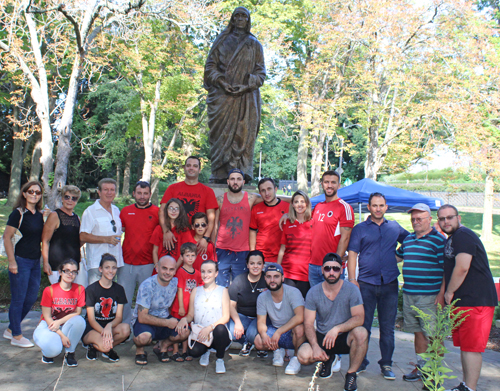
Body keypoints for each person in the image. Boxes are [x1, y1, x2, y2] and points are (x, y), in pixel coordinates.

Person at [347, 192, 409, 378]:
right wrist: (352, 280)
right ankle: (361, 361)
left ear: (386, 207)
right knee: (363, 325)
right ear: (369, 207)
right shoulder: (360, 229)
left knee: (387, 327)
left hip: (389, 284)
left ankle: (387, 364)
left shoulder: (395, 227)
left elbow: (411, 241)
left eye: (381, 205)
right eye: (374, 205)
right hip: (365, 283)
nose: (378, 208)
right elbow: (352, 255)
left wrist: (396, 257)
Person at [437, 205, 498, 391]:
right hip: (464, 301)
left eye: (450, 217)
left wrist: (449, 292)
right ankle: (465, 385)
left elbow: (462, 266)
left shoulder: (464, 235)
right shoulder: (453, 238)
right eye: (442, 219)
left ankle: (470, 388)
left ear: (459, 217)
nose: (446, 221)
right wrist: (445, 294)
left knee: (472, 348)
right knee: (466, 346)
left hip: (476, 301)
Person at [204, 7, 266, 184]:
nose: (240, 19)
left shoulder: (254, 44)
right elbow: (210, 68)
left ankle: (240, 172)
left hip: (246, 98)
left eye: (243, 16)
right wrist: (223, 83)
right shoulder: (221, 42)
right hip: (222, 97)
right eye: (236, 16)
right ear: (232, 19)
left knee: (244, 133)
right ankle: (220, 171)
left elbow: (261, 73)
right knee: (220, 135)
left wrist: (246, 85)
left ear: (248, 20)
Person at [297, 253, 368, 391]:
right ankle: (327, 358)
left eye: (335, 269)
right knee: (303, 357)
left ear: (341, 270)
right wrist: (315, 346)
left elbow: (360, 318)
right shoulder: (313, 292)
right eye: (328, 268)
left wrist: (338, 329)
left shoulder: (351, 290)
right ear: (322, 270)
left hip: (344, 337)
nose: (331, 272)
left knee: (361, 333)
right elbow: (308, 323)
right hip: (323, 336)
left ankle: (351, 374)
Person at [396, 203, 446, 383]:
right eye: (413, 219)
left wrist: (441, 295)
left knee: (433, 335)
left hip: (430, 296)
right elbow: (397, 256)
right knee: (417, 333)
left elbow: (446, 269)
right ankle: (422, 369)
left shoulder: (439, 240)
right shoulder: (408, 239)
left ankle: (435, 374)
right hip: (409, 294)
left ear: (429, 220)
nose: (416, 222)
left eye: (419, 219)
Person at [3, 181, 44, 348]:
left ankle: (11, 329)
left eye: (38, 192)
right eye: (31, 191)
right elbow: (7, 237)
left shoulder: (39, 214)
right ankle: (17, 335)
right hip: (20, 260)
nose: (34, 194)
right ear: (24, 193)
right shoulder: (18, 214)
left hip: (35, 261)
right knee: (19, 299)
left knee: (32, 297)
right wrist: (12, 261)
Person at [176, 260, 232, 374]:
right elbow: (191, 315)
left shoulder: (223, 291)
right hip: (201, 332)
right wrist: (184, 319)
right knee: (194, 352)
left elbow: (226, 316)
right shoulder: (196, 291)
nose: (206, 275)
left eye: (210, 271)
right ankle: (205, 350)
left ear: (216, 273)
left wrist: (210, 328)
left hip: (217, 332)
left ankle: (220, 359)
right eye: (203, 271)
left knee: (220, 329)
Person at [132, 256, 189, 365]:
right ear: (157, 268)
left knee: (185, 331)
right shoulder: (147, 286)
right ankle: (139, 351)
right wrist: (167, 322)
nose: (168, 272)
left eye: (171, 269)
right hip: (146, 320)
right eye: (164, 268)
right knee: (143, 338)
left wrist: (183, 319)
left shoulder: (175, 283)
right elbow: (142, 317)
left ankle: (163, 346)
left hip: (164, 317)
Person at [213, 168, 264, 287]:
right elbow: (214, 225)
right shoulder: (220, 199)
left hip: (243, 251)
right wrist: (212, 246)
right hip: (222, 249)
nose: (235, 182)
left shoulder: (251, 198)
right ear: (228, 181)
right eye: (232, 179)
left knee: (240, 287)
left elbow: (272, 199)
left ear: (243, 182)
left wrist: (295, 201)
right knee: (220, 286)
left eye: (238, 179)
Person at [118, 181, 159, 324]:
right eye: (139, 193)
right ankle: (124, 329)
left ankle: (143, 329)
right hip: (126, 262)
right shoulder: (124, 211)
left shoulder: (157, 212)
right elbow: (117, 232)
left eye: (145, 193)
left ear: (150, 194)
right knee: (125, 299)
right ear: (134, 193)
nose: (142, 196)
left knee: (146, 300)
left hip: (148, 264)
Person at [254, 263, 305, 376]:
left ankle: (296, 358)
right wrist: (263, 335)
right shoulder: (262, 297)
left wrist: (279, 331)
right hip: (276, 330)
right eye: (269, 277)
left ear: (282, 278)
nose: (272, 280)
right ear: (265, 278)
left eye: (276, 276)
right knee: (258, 341)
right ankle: (278, 349)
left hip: (292, 332)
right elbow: (261, 321)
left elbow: (300, 316)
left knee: (300, 329)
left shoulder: (293, 292)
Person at [159, 157, 218, 254]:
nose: (191, 168)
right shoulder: (172, 188)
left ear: (199, 170)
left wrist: (205, 238)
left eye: (195, 166)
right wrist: (166, 231)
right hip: (174, 238)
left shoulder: (208, 191)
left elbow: (211, 218)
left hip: (197, 240)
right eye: (188, 165)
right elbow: (162, 211)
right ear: (184, 168)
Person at [33, 259, 86, 366]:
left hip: (63, 324)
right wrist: (62, 335)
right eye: (67, 271)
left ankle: (69, 353)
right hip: (48, 325)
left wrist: (60, 322)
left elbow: (77, 312)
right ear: (60, 272)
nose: (70, 274)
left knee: (80, 321)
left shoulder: (80, 289)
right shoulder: (50, 290)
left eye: (74, 271)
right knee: (54, 350)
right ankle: (47, 353)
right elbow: (47, 317)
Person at [309, 171, 354, 286]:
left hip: (331, 267)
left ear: (339, 185)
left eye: (333, 182)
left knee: (334, 303)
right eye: (326, 182)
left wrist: (335, 263)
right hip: (313, 266)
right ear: (321, 184)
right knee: (316, 302)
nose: (329, 185)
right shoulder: (318, 206)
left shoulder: (344, 207)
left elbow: (345, 238)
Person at [83, 254, 130, 362]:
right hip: (93, 328)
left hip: (109, 327)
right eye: (107, 267)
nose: (111, 271)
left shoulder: (119, 289)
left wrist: (109, 326)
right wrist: (104, 332)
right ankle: (98, 346)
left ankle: (99, 347)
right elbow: (91, 319)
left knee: (126, 329)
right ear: (100, 269)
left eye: (114, 268)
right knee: (106, 346)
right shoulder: (91, 290)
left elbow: (119, 317)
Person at [80, 178, 123, 285]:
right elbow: (83, 236)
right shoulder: (90, 211)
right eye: (106, 190)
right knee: (96, 299)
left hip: (114, 264)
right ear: (99, 192)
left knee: (109, 299)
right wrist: (106, 239)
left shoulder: (116, 210)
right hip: (97, 264)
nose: (109, 193)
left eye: (112, 190)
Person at [228, 250, 268, 357]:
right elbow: (231, 305)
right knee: (231, 331)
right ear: (247, 265)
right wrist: (237, 322)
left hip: (260, 318)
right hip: (242, 316)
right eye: (252, 263)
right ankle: (249, 342)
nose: (255, 266)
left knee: (252, 333)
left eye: (259, 263)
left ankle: (252, 340)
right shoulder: (239, 280)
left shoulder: (267, 280)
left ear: (263, 265)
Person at [42, 185, 82, 285]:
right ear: (62, 198)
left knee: (72, 297)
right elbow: (45, 240)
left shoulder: (77, 218)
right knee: (58, 297)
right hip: (57, 264)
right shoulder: (55, 215)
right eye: (67, 197)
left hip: (74, 265)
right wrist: (46, 263)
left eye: (74, 198)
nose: (70, 200)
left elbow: (77, 242)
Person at [169, 243, 203, 362]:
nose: (190, 258)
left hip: (191, 308)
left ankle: (185, 350)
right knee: (177, 328)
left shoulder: (198, 273)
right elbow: (179, 290)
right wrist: (181, 307)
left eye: (192, 255)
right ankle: (175, 351)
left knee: (187, 329)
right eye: (187, 255)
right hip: (180, 307)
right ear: (182, 257)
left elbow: (200, 290)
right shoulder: (180, 272)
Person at [277, 190, 313, 298]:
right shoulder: (287, 223)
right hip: (288, 272)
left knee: (303, 307)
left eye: (302, 201)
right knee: (288, 307)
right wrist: (278, 270)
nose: (299, 204)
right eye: (296, 202)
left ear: (307, 203)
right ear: (292, 204)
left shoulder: (313, 222)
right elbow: (282, 250)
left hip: (306, 274)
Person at [249, 178, 289, 263]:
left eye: (269, 189)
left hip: (282, 256)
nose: (267, 193)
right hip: (262, 256)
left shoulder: (288, 207)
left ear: (275, 189)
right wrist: (252, 254)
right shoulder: (256, 209)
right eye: (263, 191)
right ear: (260, 193)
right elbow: (252, 232)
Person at [150, 198, 195, 269]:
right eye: (170, 208)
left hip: (176, 268)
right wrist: (156, 265)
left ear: (181, 211)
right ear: (166, 210)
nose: (173, 211)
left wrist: (175, 268)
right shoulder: (159, 229)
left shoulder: (184, 230)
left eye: (177, 208)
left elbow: (185, 251)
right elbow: (155, 251)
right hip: (160, 268)